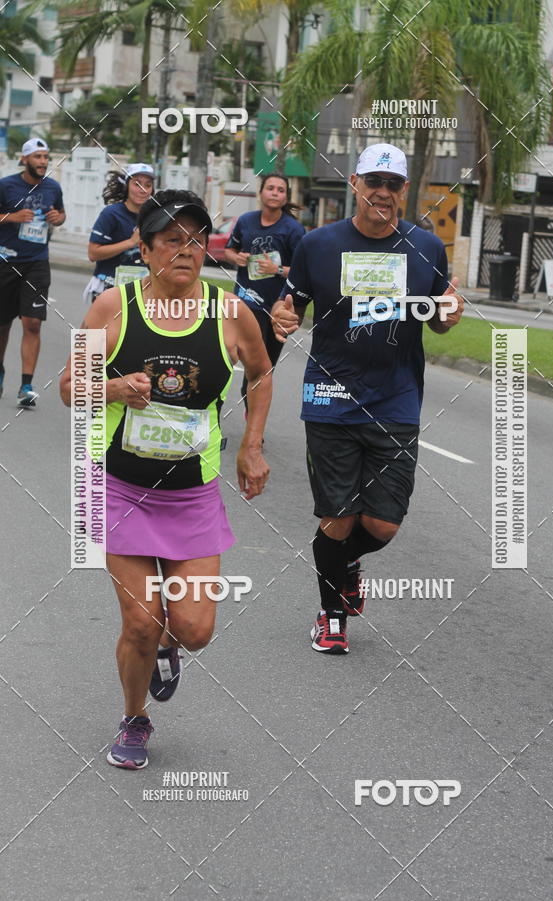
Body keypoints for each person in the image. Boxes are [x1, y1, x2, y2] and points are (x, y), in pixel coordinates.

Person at [60, 189, 272, 768]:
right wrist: (112, 388)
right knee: (141, 620)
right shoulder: (113, 308)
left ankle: (167, 649)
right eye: (172, 240)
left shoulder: (230, 313)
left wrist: (250, 445)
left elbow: (260, 371)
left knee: (195, 628)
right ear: (148, 251)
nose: (187, 250)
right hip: (121, 490)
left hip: (191, 496)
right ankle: (135, 719)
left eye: (197, 240)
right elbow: (67, 388)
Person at [271, 143, 464, 654]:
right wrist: (282, 318)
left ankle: (344, 563)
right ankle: (332, 616)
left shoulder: (428, 248)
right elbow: (289, 308)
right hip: (331, 396)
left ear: (404, 190)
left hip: (396, 400)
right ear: (355, 183)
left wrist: (449, 314)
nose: (382, 192)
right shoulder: (317, 244)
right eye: (373, 182)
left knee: (381, 524)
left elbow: (440, 318)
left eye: (393, 184)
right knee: (336, 518)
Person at [223, 174, 304, 410]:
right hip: (248, 302)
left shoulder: (293, 230)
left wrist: (277, 269)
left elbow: (303, 271)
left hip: (278, 308)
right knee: (248, 365)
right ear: (261, 193)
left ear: (286, 196)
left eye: (281, 189)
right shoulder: (246, 221)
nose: (275, 193)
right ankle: (247, 419)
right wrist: (236, 258)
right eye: (270, 188)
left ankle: (254, 419)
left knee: (265, 369)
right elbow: (230, 251)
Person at [0, 138, 66, 407]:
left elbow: (61, 214)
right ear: (24, 159)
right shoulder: (6, 185)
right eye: (37, 157)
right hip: (6, 260)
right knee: (3, 324)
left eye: (46, 157)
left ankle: (26, 385)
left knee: (33, 322)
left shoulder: (53, 186)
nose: (43, 162)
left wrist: (57, 219)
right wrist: (11, 217)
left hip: (37, 262)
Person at [83, 163, 155, 304]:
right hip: (108, 287)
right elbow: (93, 253)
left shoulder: (154, 217)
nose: (143, 190)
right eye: (137, 184)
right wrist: (130, 242)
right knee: (102, 327)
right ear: (127, 186)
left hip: (141, 290)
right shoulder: (111, 214)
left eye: (148, 185)